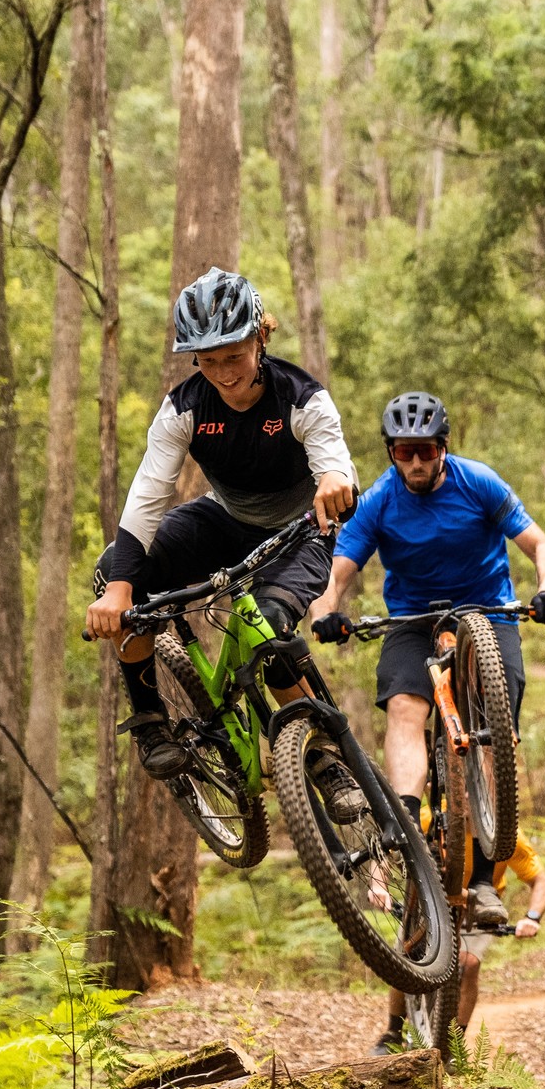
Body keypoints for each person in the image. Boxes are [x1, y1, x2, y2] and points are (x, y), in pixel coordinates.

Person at [84, 267, 362, 815]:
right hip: (224, 519)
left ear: (261, 337)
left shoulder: (302, 397)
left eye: (232, 356)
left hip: (299, 533)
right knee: (115, 571)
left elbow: (336, 465)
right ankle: (150, 723)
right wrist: (120, 589)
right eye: (207, 361)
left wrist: (335, 481)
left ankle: (325, 758)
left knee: (268, 627)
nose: (223, 373)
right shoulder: (185, 408)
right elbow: (147, 495)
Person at [306, 389, 545, 928]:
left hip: (490, 614)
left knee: (495, 736)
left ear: (443, 448)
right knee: (405, 708)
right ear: (392, 453)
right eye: (404, 452)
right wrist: (325, 608)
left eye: (425, 450)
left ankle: (483, 879)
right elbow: (340, 567)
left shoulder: (480, 483)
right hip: (413, 620)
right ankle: (405, 820)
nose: (417, 461)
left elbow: (543, 546)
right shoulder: (379, 500)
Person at [373, 833, 545, 1054]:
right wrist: (378, 884)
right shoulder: (428, 816)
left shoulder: (508, 834)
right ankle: (392, 1032)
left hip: (476, 908)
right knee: (406, 956)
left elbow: (541, 881)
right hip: (428, 901)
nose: (467, 797)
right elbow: (386, 845)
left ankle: (453, 1048)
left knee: (470, 964)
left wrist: (532, 917)